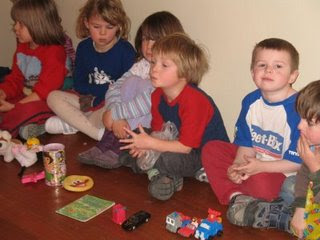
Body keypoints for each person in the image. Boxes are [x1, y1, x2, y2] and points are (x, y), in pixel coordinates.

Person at [201, 38, 302, 229]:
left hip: (283, 172)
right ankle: (236, 197)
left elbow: (298, 163)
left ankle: (250, 198)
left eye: (278, 66)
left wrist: (258, 167)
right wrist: (239, 166)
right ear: (252, 72)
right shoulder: (250, 101)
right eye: (262, 65)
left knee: (260, 183)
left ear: (292, 76)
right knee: (212, 149)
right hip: (255, 163)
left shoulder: (298, 109)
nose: (269, 70)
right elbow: (245, 144)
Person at [120, 33, 229, 201]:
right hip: (174, 141)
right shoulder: (157, 95)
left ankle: (159, 173)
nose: (154, 69)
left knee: (168, 158)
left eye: (164, 65)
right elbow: (158, 132)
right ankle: (164, 174)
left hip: (202, 155)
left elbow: (186, 147)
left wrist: (149, 144)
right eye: (153, 62)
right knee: (131, 135)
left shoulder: (194, 100)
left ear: (185, 72)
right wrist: (144, 144)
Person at [77, 11, 185, 169]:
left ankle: (119, 147)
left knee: (143, 85)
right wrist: (115, 112)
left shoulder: (169, 72)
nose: (148, 46)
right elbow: (115, 87)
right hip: (126, 118)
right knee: (131, 81)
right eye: (145, 39)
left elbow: (150, 100)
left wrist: (116, 114)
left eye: (156, 40)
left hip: (152, 126)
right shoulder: (141, 65)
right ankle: (107, 142)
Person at [23, 0, 136, 141]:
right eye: (96, 26)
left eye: (109, 27)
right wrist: (92, 97)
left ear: (119, 26)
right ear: (86, 23)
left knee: (111, 117)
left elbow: (127, 88)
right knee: (53, 97)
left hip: (110, 103)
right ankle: (93, 132)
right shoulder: (84, 47)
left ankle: (73, 123)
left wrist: (100, 97)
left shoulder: (126, 51)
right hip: (86, 99)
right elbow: (78, 83)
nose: (102, 33)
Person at [0, 0, 67, 138]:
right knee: (11, 107)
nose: (15, 28)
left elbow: (45, 92)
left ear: (37, 25)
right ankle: (24, 126)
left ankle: (11, 129)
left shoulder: (54, 51)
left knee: (26, 110)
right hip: (27, 96)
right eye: (15, 23)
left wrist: (15, 107)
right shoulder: (22, 48)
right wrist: (3, 92)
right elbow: (15, 79)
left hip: (48, 101)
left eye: (21, 24)